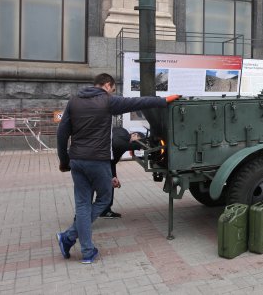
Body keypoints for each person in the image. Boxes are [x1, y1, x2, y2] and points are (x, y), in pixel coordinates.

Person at [56, 73, 179, 264]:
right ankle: (69, 237)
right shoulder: (107, 101)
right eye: (113, 89)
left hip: (77, 160)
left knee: (82, 205)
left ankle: (84, 249)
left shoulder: (73, 101)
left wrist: (64, 161)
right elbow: (137, 102)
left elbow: (61, 134)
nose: (113, 92)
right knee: (104, 199)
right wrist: (163, 100)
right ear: (106, 85)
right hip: (97, 160)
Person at [99, 127, 145, 219]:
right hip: (100, 162)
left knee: (110, 185)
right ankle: (84, 215)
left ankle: (105, 210)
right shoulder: (122, 134)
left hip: (107, 162)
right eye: (137, 141)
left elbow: (112, 161)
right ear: (134, 134)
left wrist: (114, 176)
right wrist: (139, 146)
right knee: (94, 189)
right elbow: (116, 143)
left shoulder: (124, 138)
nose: (135, 144)